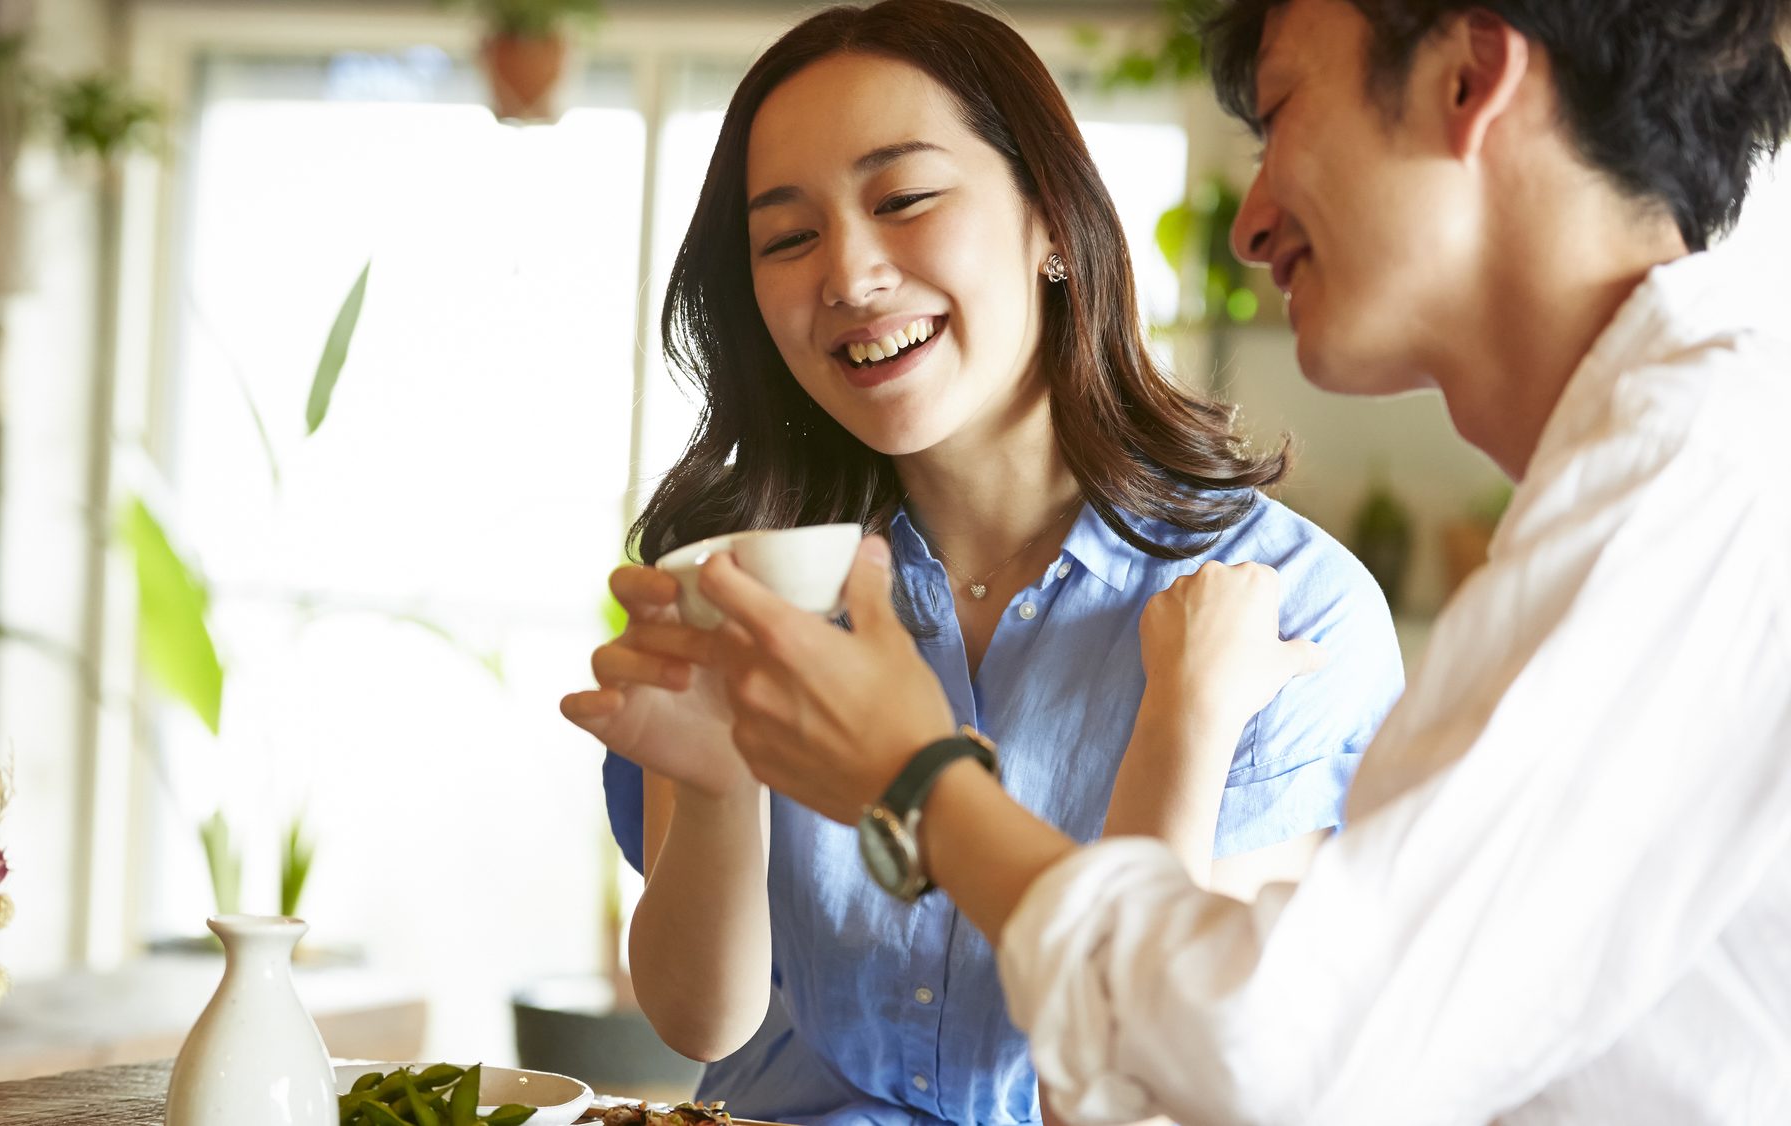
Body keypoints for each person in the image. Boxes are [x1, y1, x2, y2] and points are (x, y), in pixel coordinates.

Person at [684, 0, 1791, 1121]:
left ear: (1467, 83)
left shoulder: (1694, 474)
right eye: (786, 235)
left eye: (1277, 117)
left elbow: (1280, 1051)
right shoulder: (1665, 466)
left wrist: (918, 781)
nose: (1250, 225)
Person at [557, 1, 1405, 1122]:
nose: (848, 276)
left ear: (1051, 220)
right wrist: (714, 780)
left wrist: (1177, 723)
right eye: (786, 237)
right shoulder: (746, 576)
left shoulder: (1282, 613)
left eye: (903, 199)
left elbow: (1139, 1084)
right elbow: (696, 1019)